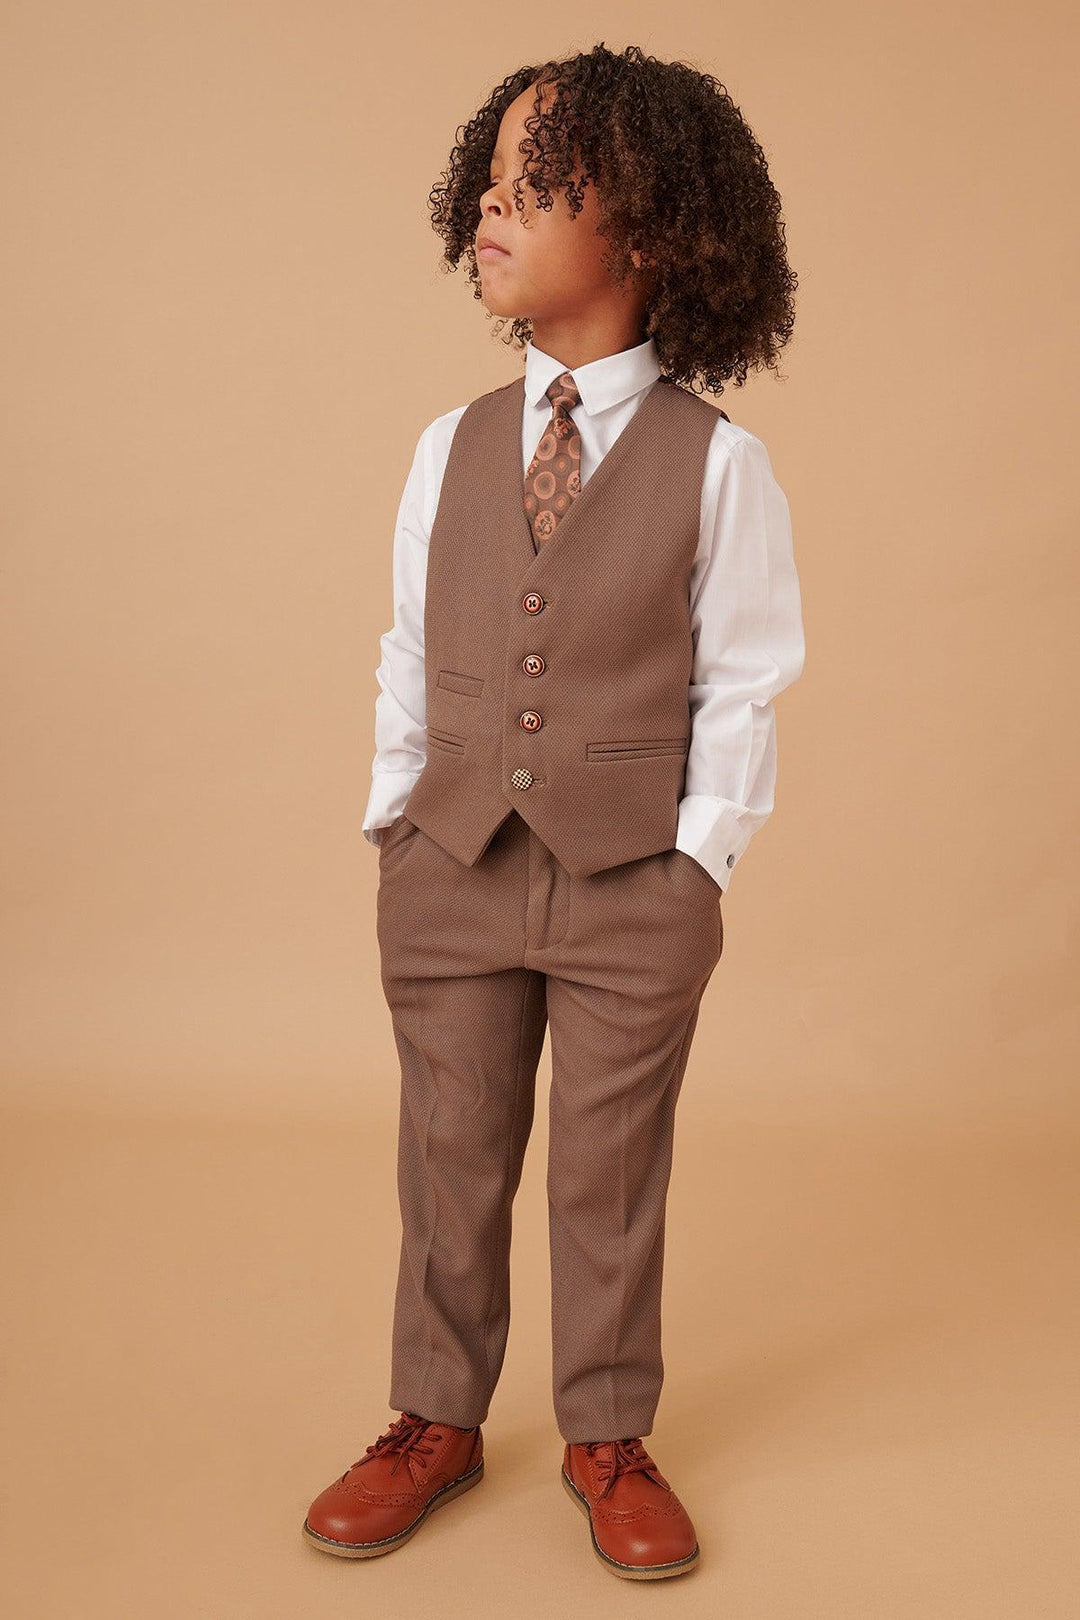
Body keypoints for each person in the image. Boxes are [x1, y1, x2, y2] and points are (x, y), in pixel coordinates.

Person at [303, 42, 805, 1581]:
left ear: (650, 229)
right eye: (491, 186)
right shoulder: (446, 447)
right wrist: (396, 817)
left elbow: (747, 676)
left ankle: (604, 1432)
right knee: (450, 1153)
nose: (491, 215)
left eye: (537, 188)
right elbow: (410, 644)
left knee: (607, 1171)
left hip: (628, 881)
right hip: (448, 863)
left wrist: (695, 865)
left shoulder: (720, 467)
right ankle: (434, 1420)